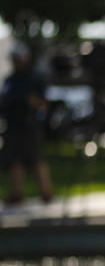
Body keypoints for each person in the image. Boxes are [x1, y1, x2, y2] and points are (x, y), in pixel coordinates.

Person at [0, 42, 53, 206]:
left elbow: (44, 102)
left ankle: (46, 193)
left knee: (36, 159)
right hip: (13, 125)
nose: (16, 63)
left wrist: (31, 101)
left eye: (18, 59)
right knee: (15, 160)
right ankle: (16, 193)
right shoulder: (10, 80)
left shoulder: (35, 78)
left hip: (29, 125)